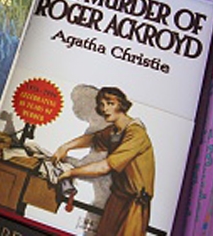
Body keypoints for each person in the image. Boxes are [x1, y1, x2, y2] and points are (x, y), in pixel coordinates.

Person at [50, 87, 154, 236]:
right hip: (116, 199)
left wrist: (72, 172)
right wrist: (65, 147)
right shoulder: (115, 131)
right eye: (101, 104)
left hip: (133, 205)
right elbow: (93, 139)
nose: (105, 109)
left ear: (122, 105)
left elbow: (105, 166)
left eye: (110, 103)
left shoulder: (136, 134)